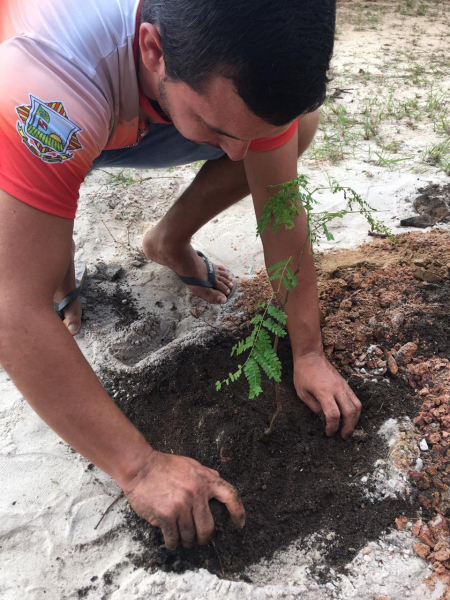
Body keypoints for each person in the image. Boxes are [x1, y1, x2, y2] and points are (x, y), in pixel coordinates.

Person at [0, 0, 361, 551]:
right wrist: (140, 469)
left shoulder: (227, 66)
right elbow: (10, 309)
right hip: (34, 109)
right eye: (221, 129)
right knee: (37, 269)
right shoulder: (50, 77)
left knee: (288, 131)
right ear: (153, 48)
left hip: (146, 102)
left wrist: (308, 351)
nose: (240, 155)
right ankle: (58, 259)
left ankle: (168, 239)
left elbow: (280, 213)